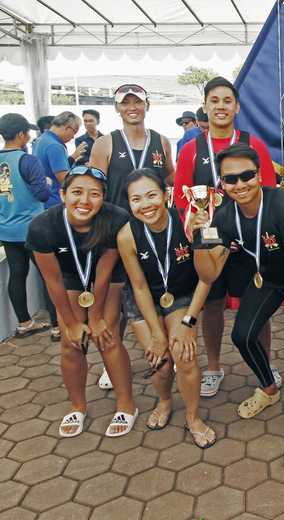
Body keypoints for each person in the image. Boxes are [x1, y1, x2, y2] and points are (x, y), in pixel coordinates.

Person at [190, 143, 284, 469]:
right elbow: (209, 273)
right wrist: (199, 236)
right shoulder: (221, 216)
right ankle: (269, 387)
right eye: (230, 179)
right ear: (221, 184)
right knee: (243, 336)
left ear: (260, 175)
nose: (240, 184)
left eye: (247, 175)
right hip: (269, 279)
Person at [171, 77, 280, 398]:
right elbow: (181, 197)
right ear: (205, 106)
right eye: (214, 101)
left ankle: (266, 364)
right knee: (213, 305)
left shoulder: (253, 145)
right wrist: (196, 225)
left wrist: (255, 231)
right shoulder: (192, 149)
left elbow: (269, 190)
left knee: (257, 306)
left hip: (249, 242)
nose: (221, 106)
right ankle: (215, 367)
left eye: (227, 101)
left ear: (237, 107)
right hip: (210, 242)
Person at [29, 166, 136, 438]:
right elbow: (52, 280)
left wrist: (97, 316)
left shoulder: (116, 218)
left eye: (94, 194)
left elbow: (103, 270)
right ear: (63, 194)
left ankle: (126, 405)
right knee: (70, 342)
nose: (85, 201)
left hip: (109, 277)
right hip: (69, 278)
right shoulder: (42, 226)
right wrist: (71, 322)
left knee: (106, 335)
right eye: (77, 192)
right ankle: (77, 406)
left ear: (104, 198)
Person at [115, 170, 217, 447]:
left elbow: (207, 278)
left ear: (166, 195)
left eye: (151, 195)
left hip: (182, 296)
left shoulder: (189, 221)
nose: (145, 204)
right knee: (159, 363)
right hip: (144, 300)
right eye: (136, 199)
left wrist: (187, 323)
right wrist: (157, 335)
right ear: (128, 203)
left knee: (184, 355)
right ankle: (164, 401)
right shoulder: (126, 235)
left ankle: (193, 417)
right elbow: (138, 287)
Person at [88, 84, 174, 392]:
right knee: (113, 309)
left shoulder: (162, 142)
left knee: (144, 297)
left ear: (147, 104)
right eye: (126, 103)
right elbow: (93, 188)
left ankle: (161, 350)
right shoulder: (104, 143)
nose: (132, 107)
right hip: (114, 237)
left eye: (137, 101)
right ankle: (112, 364)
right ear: (117, 109)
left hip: (151, 236)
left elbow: (169, 181)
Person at [0, 114, 56, 337]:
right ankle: (58, 326)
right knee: (49, 276)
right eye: (28, 132)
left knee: (17, 273)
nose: (30, 136)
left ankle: (24, 322)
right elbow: (41, 194)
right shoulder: (27, 160)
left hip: (6, 228)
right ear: (21, 134)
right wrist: (48, 182)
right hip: (32, 229)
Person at [34, 112, 79, 181]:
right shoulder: (55, 146)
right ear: (67, 127)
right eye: (74, 132)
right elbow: (63, 179)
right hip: (54, 190)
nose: (73, 137)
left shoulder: (40, 139)